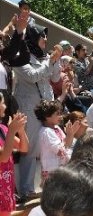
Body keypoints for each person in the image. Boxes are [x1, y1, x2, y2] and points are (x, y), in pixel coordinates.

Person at [13, 23, 62, 203]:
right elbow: (32, 76)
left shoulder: (45, 56)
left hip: (45, 109)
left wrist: (55, 61)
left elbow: (56, 78)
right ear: (33, 38)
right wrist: (49, 62)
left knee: (46, 146)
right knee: (30, 148)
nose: (46, 40)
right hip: (29, 109)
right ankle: (25, 189)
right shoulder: (20, 55)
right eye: (42, 36)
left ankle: (41, 186)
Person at [0, 93, 28, 216]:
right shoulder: (5, 129)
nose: (4, 105)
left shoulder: (3, 128)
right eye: (1, 102)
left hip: (6, 187)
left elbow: (24, 148)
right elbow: (3, 156)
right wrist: (11, 131)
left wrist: (20, 130)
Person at [34, 100, 80, 182]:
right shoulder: (46, 132)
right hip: (52, 172)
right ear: (47, 116)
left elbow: (67, 144)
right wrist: (69, 135)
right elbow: (60, 151)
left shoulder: (57, 128)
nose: (61, 116)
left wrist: (72, 134)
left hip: (61, 169)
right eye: (57, 114)